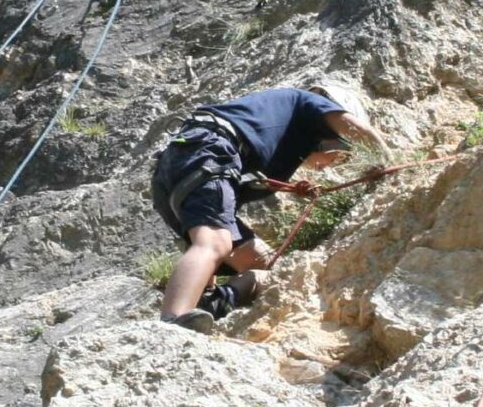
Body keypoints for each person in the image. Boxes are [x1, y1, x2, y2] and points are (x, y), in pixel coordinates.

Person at [150, 83, 382, 332]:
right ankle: (172, 323)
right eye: (341, 156)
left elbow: (224, 196)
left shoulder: (279, 138)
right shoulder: (308, 103)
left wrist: (292, 187)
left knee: (270, 269)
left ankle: (211, 302)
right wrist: (387, 160)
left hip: (178, 170)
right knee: (215, 242)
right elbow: (359, 130)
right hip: (206, 151)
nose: (330, 165)